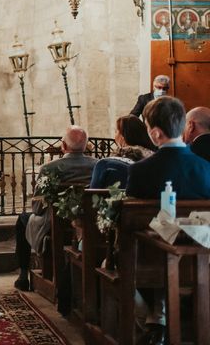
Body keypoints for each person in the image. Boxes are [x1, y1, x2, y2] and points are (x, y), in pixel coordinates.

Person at [126, 97, 210, 345]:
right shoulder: (206, 168)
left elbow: (133, 219)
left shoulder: (140, 170)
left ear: (154, 133)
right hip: (202, 257)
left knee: (117, 261)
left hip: (151, 260)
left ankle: (152, 322)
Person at [14, 126, 98, 292]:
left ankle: (23, 275)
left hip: (55, 222)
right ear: (86, 145)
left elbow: (38, 207)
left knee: (22, 220)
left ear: (63, 146)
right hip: (88, 221)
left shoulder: (49, 168)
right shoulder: (97, 165)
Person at [89, 115, 155, 189]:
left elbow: (93, 192)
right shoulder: (153, 156)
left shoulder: (111, 162)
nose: (115, 136)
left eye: (116, 131)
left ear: (123, 136)